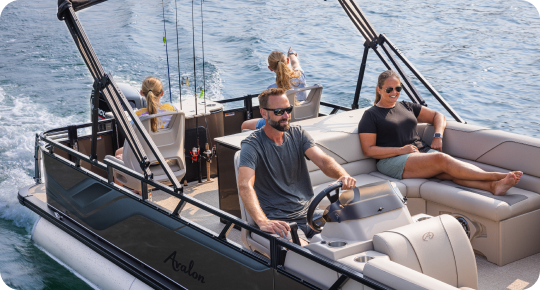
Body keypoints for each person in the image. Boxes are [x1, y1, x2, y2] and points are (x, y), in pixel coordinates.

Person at [357, 70, 522, 196]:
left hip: (420, 152)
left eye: (398, 88)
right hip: (392, 160)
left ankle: (493, 187)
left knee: (449, 173)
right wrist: (400, 150)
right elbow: (369, 149)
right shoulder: (371, 115)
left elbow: (438, 116)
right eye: (389, 89)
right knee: (441, 158)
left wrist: (438, 135)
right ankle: (496, 177)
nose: (394, 92)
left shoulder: (406, 106)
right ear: (379, 89)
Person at [237, 88, 356, 246]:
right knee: (306, 256)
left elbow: (323, 160)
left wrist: (342, 175)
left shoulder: (298, 134)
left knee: (355, 233)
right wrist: (262, 221)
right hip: (281, 221)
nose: (286, 116)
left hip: (310, 213)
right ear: (264, 114)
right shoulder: (251, 145)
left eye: (288, 109)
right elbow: (245, 185)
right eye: (279, 111)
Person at [241, 47, 307, 131]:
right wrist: (291, 54)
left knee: (245, 125)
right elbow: (295, 63)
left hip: (280, 124)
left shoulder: (271, 90)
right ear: (287, 61)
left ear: (270, 68)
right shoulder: (300, 76)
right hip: (304, 119)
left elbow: (266, 115)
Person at [114, 76, 177, 160]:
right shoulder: (171, 109)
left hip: (146, 159)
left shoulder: (139, 114)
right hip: (167, 155)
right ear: (161, 93)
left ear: (141, 93)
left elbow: (131, 136)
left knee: (118, 153)